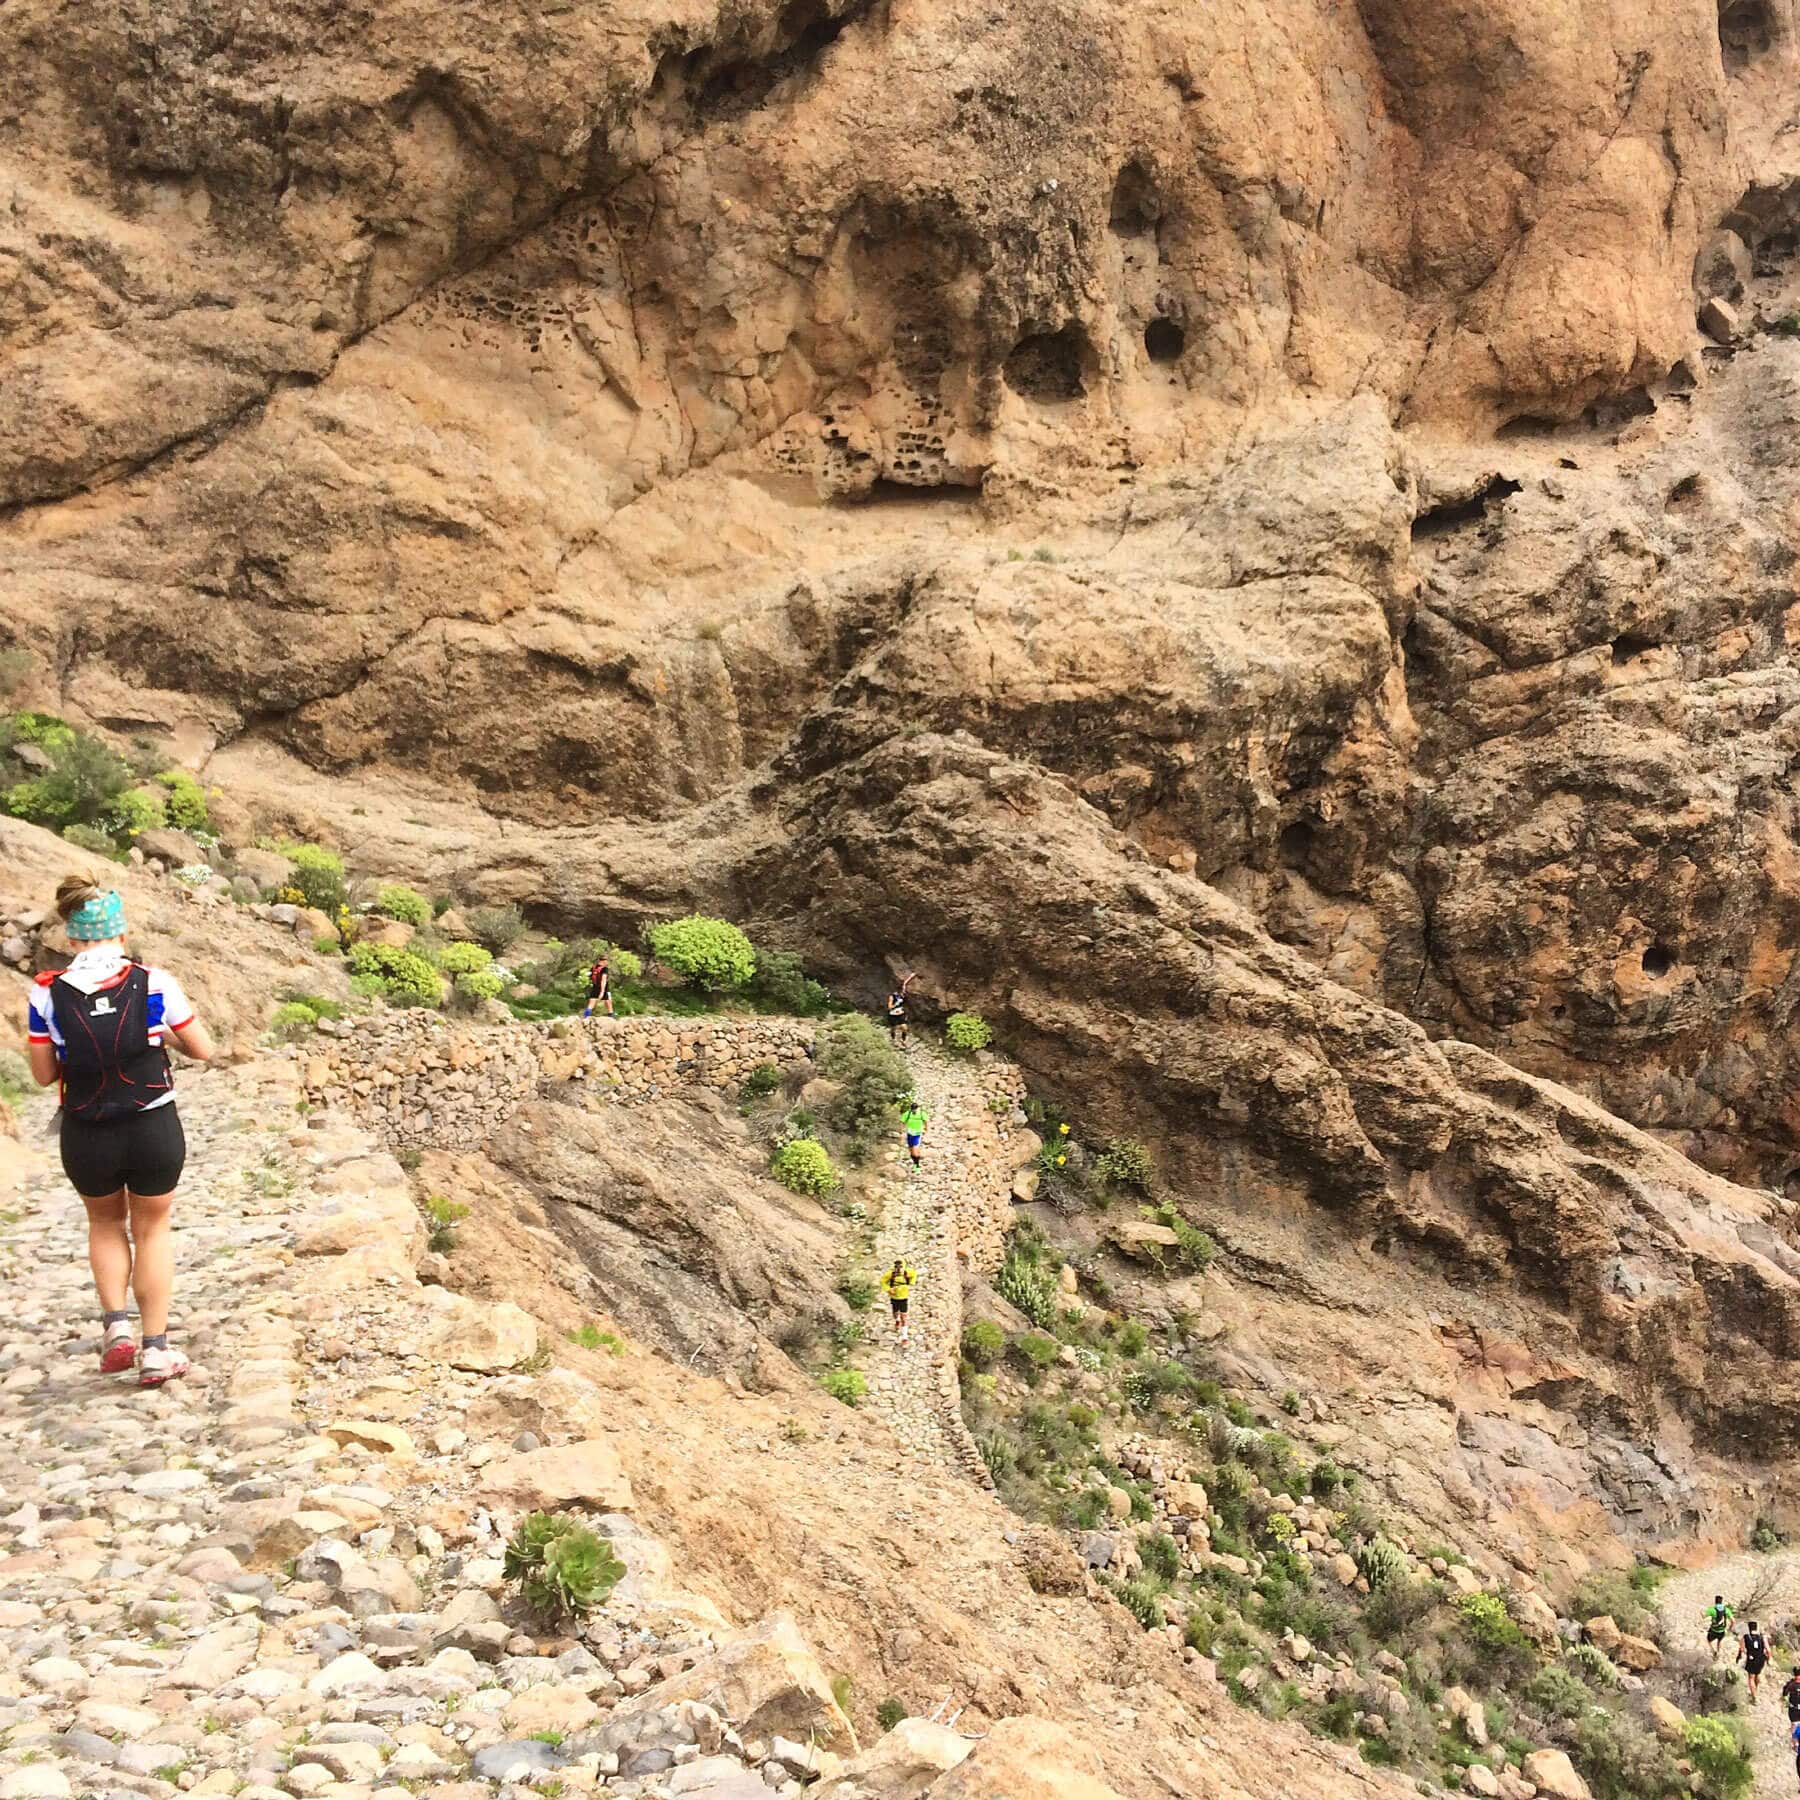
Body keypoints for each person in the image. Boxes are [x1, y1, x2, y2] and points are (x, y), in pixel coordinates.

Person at [26, 878, 216, 1387]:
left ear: (71, 938)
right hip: (152, 1123)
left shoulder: (46, 992)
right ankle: (156, 1351)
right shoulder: (154, 982)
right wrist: (162, 1036)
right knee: (152, 1229)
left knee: (105, 1224)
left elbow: (43, 1075)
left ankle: (117, 1330)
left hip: (87, 1130)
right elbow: (203, 1049)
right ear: (122, 934)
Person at [881, 1259, 916, 1346]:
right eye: (896, 1267)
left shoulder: (908, 1272)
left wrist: (912, 1283)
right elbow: (882, 1281)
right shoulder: (890, 1274)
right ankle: (897, 1320)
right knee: (895, 1313)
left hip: (904, 1297)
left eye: (900, 1267)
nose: (898, 1269)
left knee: (904, 1316)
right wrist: (888, 1289)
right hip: (894, 1297)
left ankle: (904, 1337)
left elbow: (914, 1275)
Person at [1740, 1618, 1770, 1701]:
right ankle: (1755, 1690)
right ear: (1756, 1628)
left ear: (1749, 1628)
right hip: (1761, 1659)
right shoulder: (1762, 1637)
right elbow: (1768, 1650)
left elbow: (1742, 1649)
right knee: (1758, 1674)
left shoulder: (1746, 1637)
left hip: (1752, 1659)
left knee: (1751, 1678)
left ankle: (1754, 1697)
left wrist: (1741, 1655)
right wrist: (1768, 1660)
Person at [900, 1096, 929, 1172]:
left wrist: (926, 1129)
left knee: (915, 1150)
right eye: (913, 1109)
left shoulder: (922, 1114)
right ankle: (914, 1164)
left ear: (917, 1108)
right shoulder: (908, 1113)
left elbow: (926, 1121)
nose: (914, 1110)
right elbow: (902, 1121)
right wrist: (901, 1130)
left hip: (917, 1134)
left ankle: (917, 1166)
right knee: (911, 1151)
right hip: (909, 1133)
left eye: (915, 1108)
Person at [886, 973, 914, 1047]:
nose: (903, 993)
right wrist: (896, 1004)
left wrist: (911, 976)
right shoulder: (892, 996)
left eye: (903, 991)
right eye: (901, 992)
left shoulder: (903, 994)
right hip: (893, 1015)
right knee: (893, 1028)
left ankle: (903, 1040)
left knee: (905, 1028)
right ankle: (893, 1039)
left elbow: (905, 983)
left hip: (901, 1014)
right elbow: (889, 1007)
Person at [582, 954, 613, 1020]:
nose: (607, 962)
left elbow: (588, 975)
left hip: (595, 987)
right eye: (607, 960)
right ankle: (611, 1018)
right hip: (604, 989)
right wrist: (602, 992)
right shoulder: (604, 969)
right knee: (609, 1004)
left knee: (591, 1004)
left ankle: (585, 1018)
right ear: (604, 960)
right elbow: (603, 980)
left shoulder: (593, 968)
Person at [1706, 1595, 1735, 1660]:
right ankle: (1718, 1652)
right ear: (1722, 1601)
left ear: (1715, 1601)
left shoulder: (1712, 1609)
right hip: (1722, 1630)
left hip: (1714, 1630)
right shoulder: (1726, 1610)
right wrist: (1730, 1628)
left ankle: (1714, 1651)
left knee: (1708, 1640)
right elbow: (1733, 1621)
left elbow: (1703, 1616)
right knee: (1719, 1641)